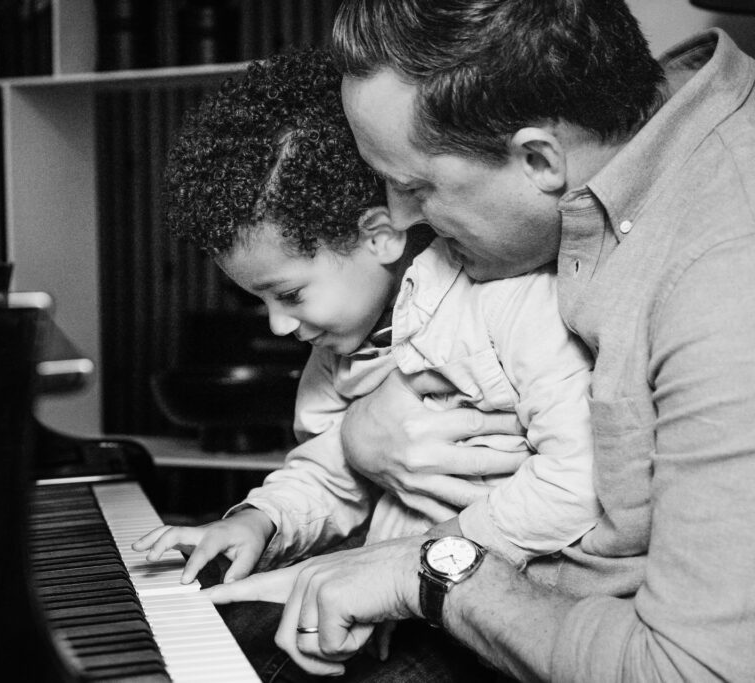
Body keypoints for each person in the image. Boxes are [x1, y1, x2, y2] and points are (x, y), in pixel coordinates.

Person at [208, 1, 755, 681]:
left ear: (538, 159)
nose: (399, 220)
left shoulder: (726, 271)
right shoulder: (618, 139)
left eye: (415, 188)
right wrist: (356, 437)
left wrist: (430, 568)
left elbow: (689, 670)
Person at [135, 46, 600, 680]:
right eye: (260, 301)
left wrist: (412, 561)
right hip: (390, 606)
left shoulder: (510, 300)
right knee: (221, 633)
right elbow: (331, 473)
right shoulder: (333, 351)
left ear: (380, 234)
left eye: (290, 293)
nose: (278, 326)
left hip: (497, 620)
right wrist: (261, 519)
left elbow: (579, 482)